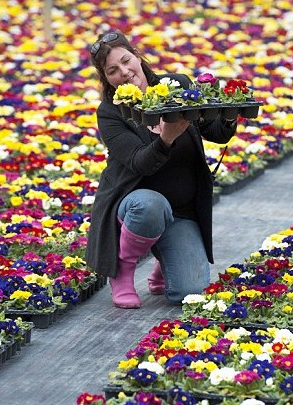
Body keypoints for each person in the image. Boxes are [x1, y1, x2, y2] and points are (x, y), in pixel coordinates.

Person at [85, 31, 237, 309]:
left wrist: (227, 110)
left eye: (126, 61)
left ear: (138, 57)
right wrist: (167, 138)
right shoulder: (111, 112)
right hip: (136, 205)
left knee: (190, 291)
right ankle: (123, 270)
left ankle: (165, 261)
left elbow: (214, 131)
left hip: (181, 212)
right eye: (113, 70)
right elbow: (139, 162)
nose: (125, 72)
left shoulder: (175, 85)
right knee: (150, 205)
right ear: (106, 78)